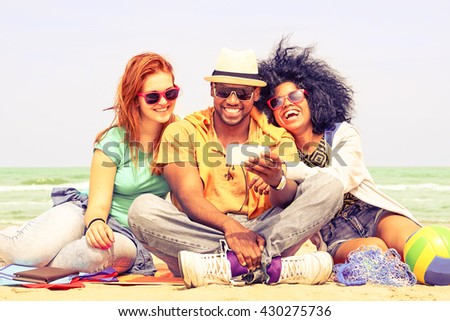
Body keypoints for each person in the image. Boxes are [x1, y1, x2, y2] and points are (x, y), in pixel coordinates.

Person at [128, 48, 344, 288]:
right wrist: (231, 228)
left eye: (242, 93)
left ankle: (230, 266)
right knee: (142, 210)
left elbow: (286, 199)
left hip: (265, 230)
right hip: (205, 230)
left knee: (329, 185)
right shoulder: (183, 131)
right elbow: (188, 197)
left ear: (255, 94)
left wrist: (277, 181)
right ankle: (269, 267)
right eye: (223, 91)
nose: (232, 100)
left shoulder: (276, 136)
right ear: (212, 90)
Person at [0, 52, 180, 275]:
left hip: (127, 236)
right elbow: (98, 204)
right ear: (135, 98)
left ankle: (44, 259)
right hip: (89, 214)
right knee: (29, 254)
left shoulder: (181, 136)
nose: (164, 102)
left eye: (170, 93)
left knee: (93, 257)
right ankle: (21, 240)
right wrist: (95, 222)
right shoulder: (113, 141)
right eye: (153, 97)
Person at [256, 38, 422, 264]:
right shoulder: (279, 149)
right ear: (271, 113)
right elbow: (285, 202)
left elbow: (340, 179)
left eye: (294, 96)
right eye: (276, 102)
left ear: (311, 97)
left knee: (418, 246)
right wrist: (276, 178)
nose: (286, 104)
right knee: (376, 254)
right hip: (333, 233)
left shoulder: (342, 134)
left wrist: (289, 170)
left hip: (372, 213)